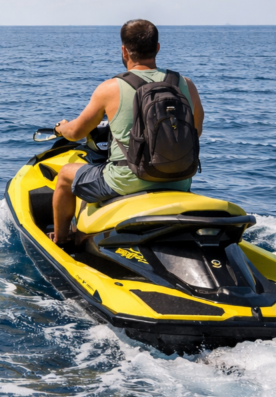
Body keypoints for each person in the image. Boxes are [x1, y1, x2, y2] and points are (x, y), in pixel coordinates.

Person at [50, 20, 204, 246]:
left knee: (65, 174)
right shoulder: (186, 84)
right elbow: (195, 132)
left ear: (124, 50)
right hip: (180, 180)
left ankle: (61, 240)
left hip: (126, 182)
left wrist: (60, 127)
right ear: (157, 48)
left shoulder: (110, 88)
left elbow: (74, 132)